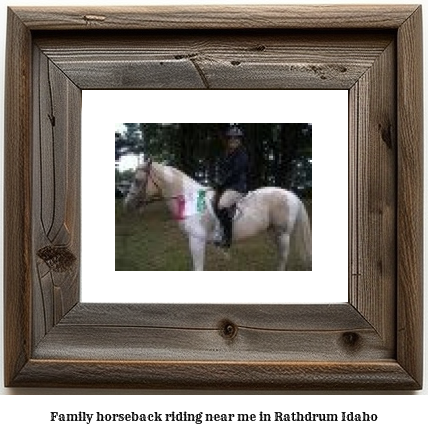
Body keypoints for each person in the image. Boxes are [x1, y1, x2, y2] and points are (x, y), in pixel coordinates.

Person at [215, 125, 249, 248]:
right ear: (228, 140)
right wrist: (218, 180)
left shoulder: (242, 154)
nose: (233, 140)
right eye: (231, 138)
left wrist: (222, 182)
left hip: (237, 187)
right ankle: (217, 229)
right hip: (226, 186)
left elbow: (236, 172)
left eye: (236, 138)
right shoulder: (226, 154)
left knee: (222, 205)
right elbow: (221, 170)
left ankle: (227, 238)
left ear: (240, 140)